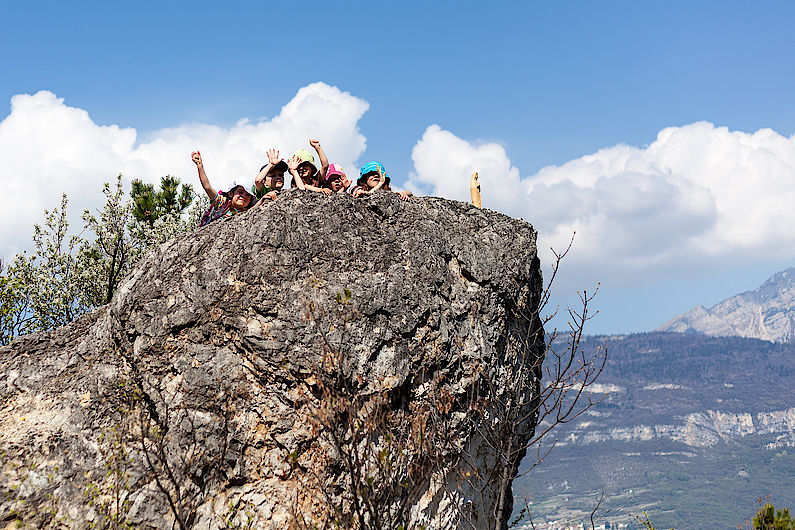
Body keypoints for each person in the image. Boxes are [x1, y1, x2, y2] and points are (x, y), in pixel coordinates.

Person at [191, 150, 255, 226]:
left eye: (248, 195)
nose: (243, 196)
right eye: (240, 192)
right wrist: (199, 165)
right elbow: (207, 187)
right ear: (231, 193)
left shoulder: (249, 213)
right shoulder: (222, 204)